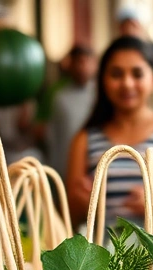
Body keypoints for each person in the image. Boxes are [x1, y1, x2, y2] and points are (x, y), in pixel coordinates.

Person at [66, 36, 153, 231]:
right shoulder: (84, 140)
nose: (127, 83)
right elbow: (69, 215)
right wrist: (83, 202)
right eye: (116, 74)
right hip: (101, 258)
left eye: (137, 74)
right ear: (103, 81)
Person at [38, 45, 97, 179]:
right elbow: (46, 131)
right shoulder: (57, 95)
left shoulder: (101, 93)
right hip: (63, 166)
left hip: (96, 166)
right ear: (70, 64)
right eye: (79, 62)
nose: (83, 68)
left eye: (87, 62)